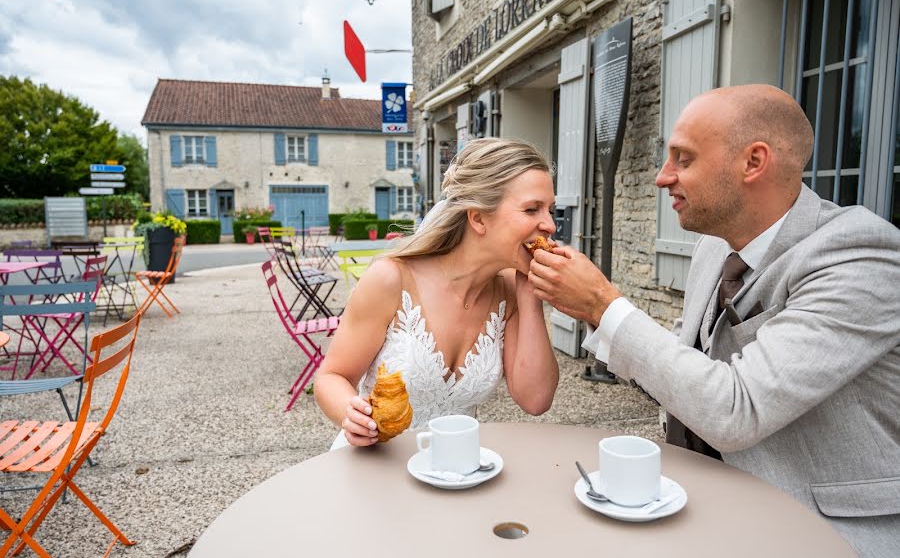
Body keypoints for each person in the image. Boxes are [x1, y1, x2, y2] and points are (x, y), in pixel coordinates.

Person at [528, 84, 900, 556]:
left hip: (821, 529)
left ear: (753, 162)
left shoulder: (861, 257)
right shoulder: (713, 248)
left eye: (683, 159)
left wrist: (605, 305)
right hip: (703, 503)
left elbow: (737, 409)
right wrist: (589, 311)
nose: (663, 178)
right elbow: (688, 367)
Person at [315, 137, 560, 449]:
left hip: (453, 470)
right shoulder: (391, 278)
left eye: (550, 209)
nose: (550, 225)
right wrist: (352, 415)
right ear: (478, 218)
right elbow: (332, 377)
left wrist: (531, 297)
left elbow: (535, 400)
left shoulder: (511, 292)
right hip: (375, 463)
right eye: (532, 209)